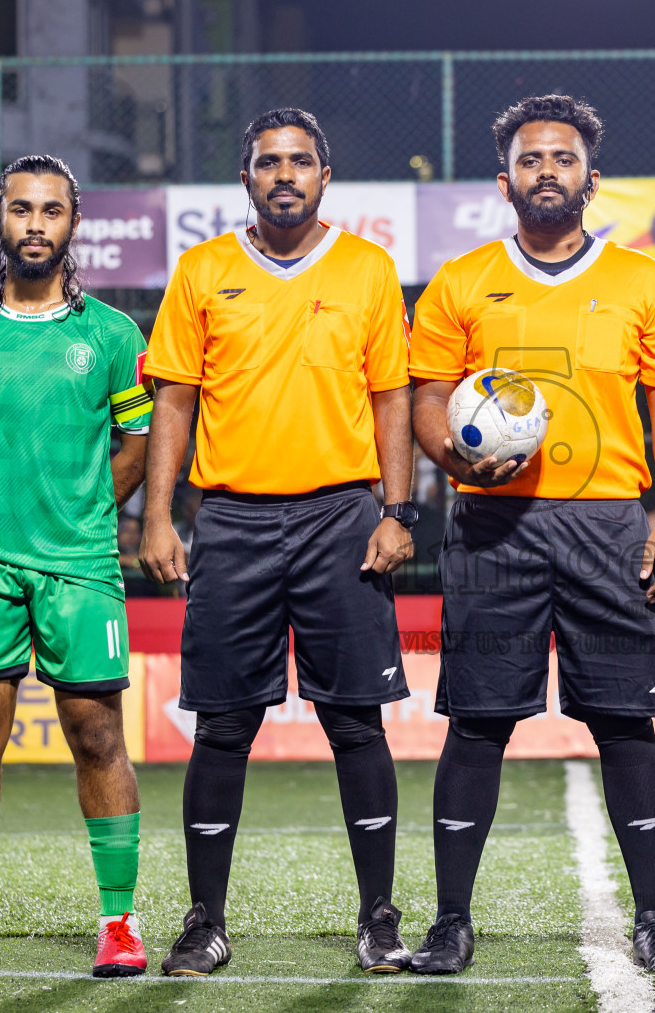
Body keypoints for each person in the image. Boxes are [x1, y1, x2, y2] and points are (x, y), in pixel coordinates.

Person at [407, 94, 655, 975]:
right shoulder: (460, 281)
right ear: (506, 182)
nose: (548, 172)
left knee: (624, 722)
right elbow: (427, 396)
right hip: (495, 527)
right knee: (477, 724)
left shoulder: (641, 280)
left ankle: (654, 918)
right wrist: (455, 460)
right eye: (531, 160)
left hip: (609, 525)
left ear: (590, 178)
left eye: (563, 159)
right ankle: (451, 922)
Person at [139, 108, 417, 976]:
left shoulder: (369, 268)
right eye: (269, 163)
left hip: (343, 517)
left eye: (301, 161)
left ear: (325, 176)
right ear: (248, 178)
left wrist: (399, 510)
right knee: (223, 726)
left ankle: (378, 917)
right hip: (233, 522)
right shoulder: (202, 269)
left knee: (355, 724)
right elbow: (173, 402)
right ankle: (204, 921)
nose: (285, 174)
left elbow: (393, 400)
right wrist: (154, 515)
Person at [0, 154, 153, 979]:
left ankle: (118, 923)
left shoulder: (114, 336)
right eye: (22, 209)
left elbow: (137, 447)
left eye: (52, 211)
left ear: (74, 224)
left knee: (97, 736)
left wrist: (83, 516)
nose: (36, 224)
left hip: (81, 566)